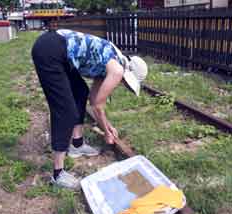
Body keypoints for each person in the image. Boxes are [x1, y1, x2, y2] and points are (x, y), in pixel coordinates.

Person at [31, 29, 148, 189]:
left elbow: (93, 99)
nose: (124, 85)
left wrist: (107, 126)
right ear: (128, 73)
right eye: (127, 83)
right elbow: (97, 106)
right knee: (65, 112)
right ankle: (57, 174)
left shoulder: (113, 60)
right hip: (50, 51)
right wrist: (106, 132)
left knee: (81, 92)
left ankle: (77, 145)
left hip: (59, 51)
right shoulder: (117, 69)